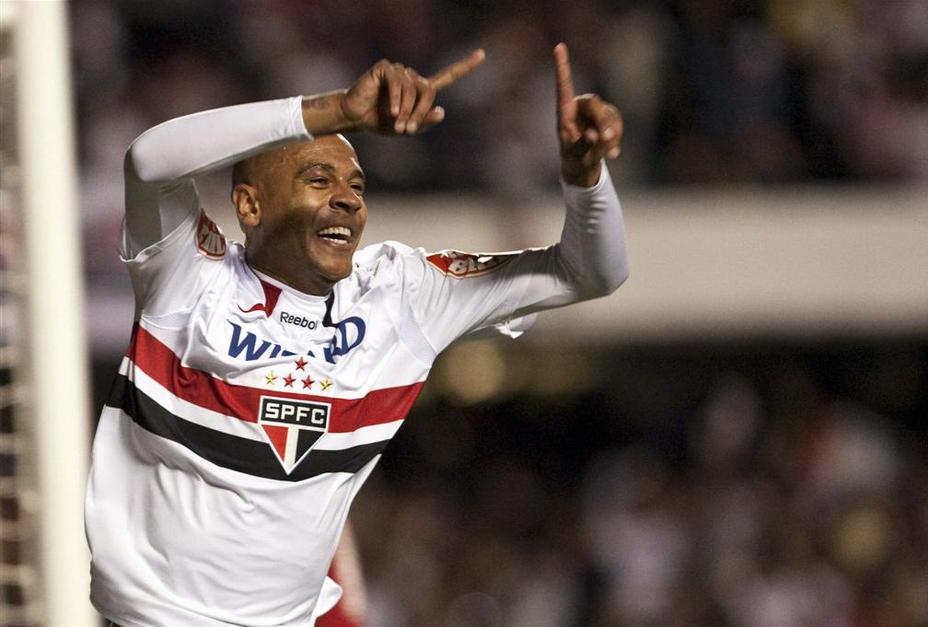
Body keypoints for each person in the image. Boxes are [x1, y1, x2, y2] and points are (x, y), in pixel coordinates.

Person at [85, 43, 628, 626]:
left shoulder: (400, 295)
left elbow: (591, 272)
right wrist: (335, 110)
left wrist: (586, 181)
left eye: (357, 186)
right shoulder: (190, 278)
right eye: (318, 179)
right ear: (249, 205)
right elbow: (150, 158)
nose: (347, 199)